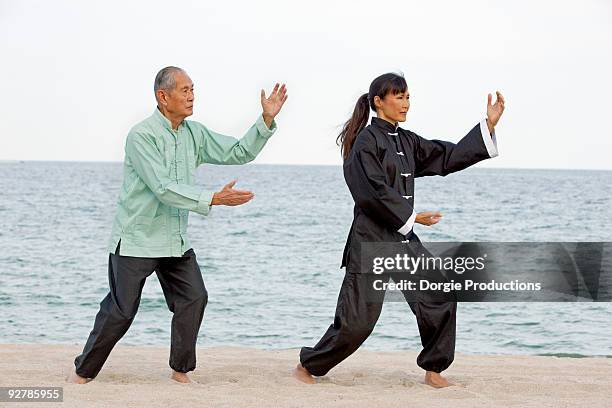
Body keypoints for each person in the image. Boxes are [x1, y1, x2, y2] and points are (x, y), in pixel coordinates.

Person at [67, 66, 288, 384]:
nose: (191, 95)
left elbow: (238, 151)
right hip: (137, 238)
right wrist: (213, 198)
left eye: (193, 89)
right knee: (121, 311)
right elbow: (162, 186)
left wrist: (265, 120)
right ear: (163, 96)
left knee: (193, 298)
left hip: (174, 240)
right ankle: (84, 371)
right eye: (184, 90)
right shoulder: (141, 135)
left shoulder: (194, 134)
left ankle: (180, 371)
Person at [294, 72, 504, 388]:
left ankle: (434, 370)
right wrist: (412, 217)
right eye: (399, 97)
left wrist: (487, 127)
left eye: (407, 97)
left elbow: (445, 157)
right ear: (378, 102)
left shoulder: (406, 140)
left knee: (440, 295)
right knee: (357, 324)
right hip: (371, 242)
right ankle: (309, 366)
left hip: (402, 239)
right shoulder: (364, 142)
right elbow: (370, 190)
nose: (406, 103)